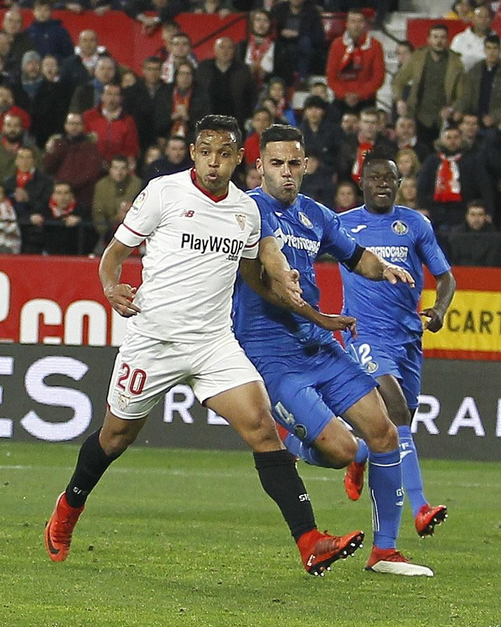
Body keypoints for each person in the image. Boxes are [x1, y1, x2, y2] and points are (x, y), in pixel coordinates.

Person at [44, 115, 366, 577]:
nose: (213, 163)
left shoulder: (246, 212)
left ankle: (310, 541)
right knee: (116, 437)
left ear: (239, 159)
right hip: (153, 340)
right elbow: (114, 254)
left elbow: (257, 279)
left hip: (213, 342)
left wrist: (314, 314)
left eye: (224, 154)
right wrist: (111, 287)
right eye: (205, 152)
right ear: (194, 152)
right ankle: (69, 506)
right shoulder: (163, 193)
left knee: (262, 429)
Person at [236, 125, 432, 576]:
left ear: (305, 166)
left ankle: (385, 552)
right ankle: (297, 442)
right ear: (261, 166)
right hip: (270, 353)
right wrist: (314, 312)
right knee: (344, 450)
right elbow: (262, 276)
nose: (286, 173)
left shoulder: (317, 215)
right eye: (277, 163)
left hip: (319, 346)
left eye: (294, 164)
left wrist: (383, 269)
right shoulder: (246, 211)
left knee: (383, 432)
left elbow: (354, 255)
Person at [338, 155, 456, 541]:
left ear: (400, 181)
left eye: (389, 178)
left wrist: (439, 309)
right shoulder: (343, 225)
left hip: (408, 337)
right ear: (362, 183)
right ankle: (421, 508)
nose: (382, 184)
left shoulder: (416, 225)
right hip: (365, 333)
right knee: (397, 410)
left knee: (393, 426)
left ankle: (360, 455)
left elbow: (446, 277)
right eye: (374, 178)